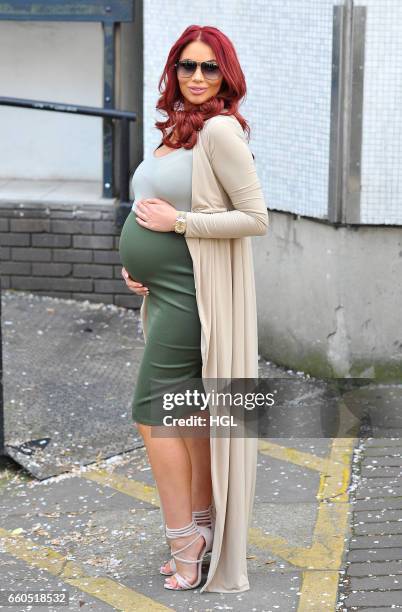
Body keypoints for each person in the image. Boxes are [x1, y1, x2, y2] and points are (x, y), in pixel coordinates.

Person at [119, 24, 268, 593]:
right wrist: (137, 268)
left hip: (193, 297)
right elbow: (145, 209)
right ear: (173, 72)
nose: (198, 77)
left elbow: (256, 218)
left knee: (152, 415)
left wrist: (175, 224)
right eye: (188, 66)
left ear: (225, 74)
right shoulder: (178, 131)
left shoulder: (221, 132)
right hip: (166, 290)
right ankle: (202, 529)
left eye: (209, 67)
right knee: (187, 414)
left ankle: (186, 544)